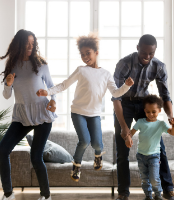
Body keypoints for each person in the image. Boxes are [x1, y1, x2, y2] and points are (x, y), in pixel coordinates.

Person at [36, 32, 134, 182]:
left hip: (94, 114)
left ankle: (98, 155)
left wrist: (126, 86)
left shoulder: (106, 74)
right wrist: (47, 92)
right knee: (84, 140)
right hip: (78, 112)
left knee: (96, 143)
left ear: (96, 52)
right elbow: (64, 84)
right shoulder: (81, 70)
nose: (85, 57)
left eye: (88, 53)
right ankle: (76, 166)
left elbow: (115, 92)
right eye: (82, 54)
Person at [112, 34, 174, 200]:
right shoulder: (124, 64)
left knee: (159, 148)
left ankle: (168, 190)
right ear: (137, 48)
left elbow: (165, 95)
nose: (147, 57)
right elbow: (116, 97)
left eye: (151, 54)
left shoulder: (159, 66)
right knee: (122, 150)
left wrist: (170, 116)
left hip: (144, 104)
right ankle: (123, 193)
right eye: (144, 53)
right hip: (124, 104)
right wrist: (124, 127)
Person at [0, 29, 56, 200]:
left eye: (32, 44)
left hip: (42, 114)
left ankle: (46, 196)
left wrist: (53, 101)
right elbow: (7, 95)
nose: (30, 47)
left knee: (36, 157)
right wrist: (8, 84)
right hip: (22, 116)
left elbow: (52, 88)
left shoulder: (41, 64)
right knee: (2, 150)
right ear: (19, 44)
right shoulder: (12, 65)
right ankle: (8, 194)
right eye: (27, 44)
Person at [125, 95, 174, 200]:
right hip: (141, 156)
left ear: (159, 110)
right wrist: (128, 138)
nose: (151, 114)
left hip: (154, 156)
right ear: (144, 110)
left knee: (154, 178)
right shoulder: (140, 122)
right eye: (148, 112)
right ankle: (148, 196)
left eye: (153, 112)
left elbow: (172, 133)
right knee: (144, 179)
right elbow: (131, 133)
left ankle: (158, 195)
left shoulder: (161, 124)